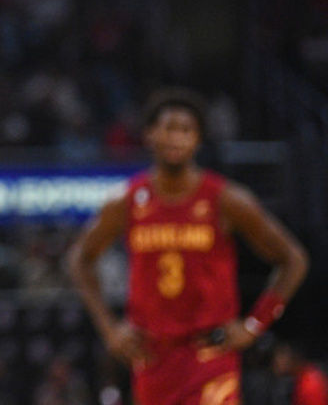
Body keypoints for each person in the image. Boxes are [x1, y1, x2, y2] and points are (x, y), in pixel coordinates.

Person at [67, 88, 308, 405]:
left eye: (186, 130)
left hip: (210, 353)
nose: (176, 137)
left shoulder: (226, 200)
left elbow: (294, 260)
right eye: (168, 128)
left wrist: (253, 325)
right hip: (152, 357)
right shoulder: (126, 201)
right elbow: (79, 260)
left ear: (198, 140)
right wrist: (109, 329)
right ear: (150, 135)